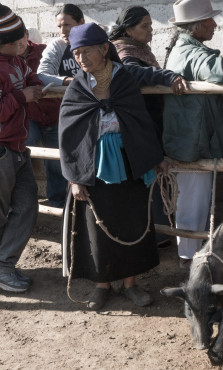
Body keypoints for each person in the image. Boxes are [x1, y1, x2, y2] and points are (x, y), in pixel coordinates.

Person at [59, 22, 169, 311]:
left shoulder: (124, 80)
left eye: (86, 52)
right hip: (93, 169)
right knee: (98, 226)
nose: (81, 59)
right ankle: (102, 285)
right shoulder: (77, 88)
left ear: (105, 49)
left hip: (129, 161)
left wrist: (154, 157)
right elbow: (69, 136)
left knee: (132, 221)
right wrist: (74, 177)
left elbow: (142, 121)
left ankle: (131, 284)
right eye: (77, 53)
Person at [163, 0, 223, 268]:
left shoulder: (186, 49)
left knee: (193, 199)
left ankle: (191, 253)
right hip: (193, 142)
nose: (214, 24)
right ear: (196, 27)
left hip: (191, 138)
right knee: (193, 202)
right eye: (209, 20)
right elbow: (222, 71)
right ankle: (188, 258)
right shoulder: (190, 52)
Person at [109, 6, 188, 248]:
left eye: (151, 25)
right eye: (144, 26)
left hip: (150, 121)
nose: (150, 30)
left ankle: (159, 233)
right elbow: (132, 72)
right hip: (140, 124)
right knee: (151, 176)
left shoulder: (139, 49)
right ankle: (156, 235)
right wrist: (166, 77)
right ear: (129, 29)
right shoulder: (124, 52)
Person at [0, 5, 44, 293]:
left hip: (18, 149)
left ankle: (4, 264)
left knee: (28, 204)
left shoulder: (18, 62)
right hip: (2, 150)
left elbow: (30, 78)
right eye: (17, 40)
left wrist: (35, 84)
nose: (23, 43)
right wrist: (21, 96)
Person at [18, 27, 67, 208]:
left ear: (26, 36)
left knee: (56, 161)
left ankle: (58, 202)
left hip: (54, 113)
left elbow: (54, 75)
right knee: (24, 155)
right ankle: (25, 202)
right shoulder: (9, 58)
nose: (19, 43)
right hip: (30, 115)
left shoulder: (44, 51)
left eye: (21, 37)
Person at [37, 3, 84, 86]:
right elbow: (42, 76)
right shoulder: (57, 46)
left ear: (81, 22)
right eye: (59, 26)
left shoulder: (95, 43)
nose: (62, 31)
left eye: (67, 25)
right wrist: (69, 81)